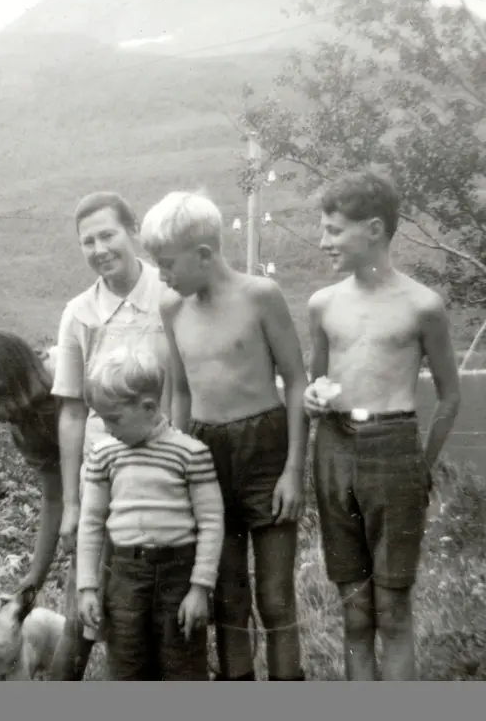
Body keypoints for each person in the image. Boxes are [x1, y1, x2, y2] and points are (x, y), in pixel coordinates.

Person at [139, 190, 310, 682]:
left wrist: (293, 471)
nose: (162, 276)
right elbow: (182, 392)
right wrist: (177, 455)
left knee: (275, 597)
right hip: (205, 452)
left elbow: (296, 382)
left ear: (206, 254)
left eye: (167, 264)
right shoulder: (172, 308)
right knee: (228, 593)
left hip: (267, 448)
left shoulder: (261, 296)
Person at [301, 170, 461, 681]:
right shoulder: (322, 304)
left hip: (395, 446)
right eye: (323, 229)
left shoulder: (422, 305)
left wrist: (423, 464)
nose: (324, 242)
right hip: (333, 447)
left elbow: (450, 396)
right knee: (354, 609)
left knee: (392, 609)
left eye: (334, 230)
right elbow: (315, 383)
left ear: (373, 229)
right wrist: (310, 398)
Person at [50, 191, 173, 679]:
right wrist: (72, 504)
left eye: (108, 235)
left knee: (159, 605)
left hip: (165, 471)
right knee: (82, 603)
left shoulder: (171, 294)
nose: (99, 249)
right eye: (88, 241)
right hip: (101, 475)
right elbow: (72, 412)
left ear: (133, 232)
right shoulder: (78, 312)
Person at [75, 345, 224, 680]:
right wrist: (87, 587)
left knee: (181, 667)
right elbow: (91, 523)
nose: (108, 429)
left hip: (179, 577)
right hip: (126, 577)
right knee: (127, 665)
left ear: (149, 406)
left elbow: (212, 524)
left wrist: (200, 589)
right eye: (101, 419)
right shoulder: (105, 455)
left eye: (114, 419)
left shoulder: (190, 454)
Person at [0, 330, 64, 606]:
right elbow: (55, 496)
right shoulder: (25, 424)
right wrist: (35, 576)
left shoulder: (67, 392)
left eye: (0, 395)